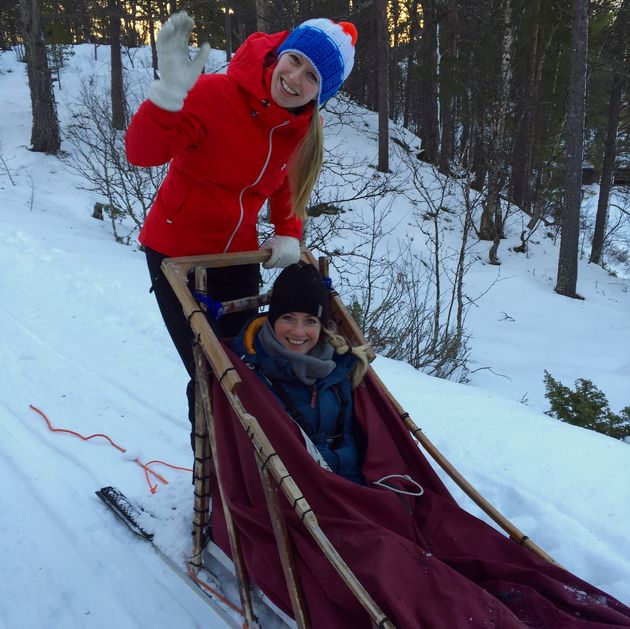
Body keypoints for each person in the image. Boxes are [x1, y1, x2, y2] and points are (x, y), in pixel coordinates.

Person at [125, 12, 358, 436]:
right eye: (295, 61)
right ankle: (216, 474)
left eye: (312, 77)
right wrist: (168, 97)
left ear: (321, 94)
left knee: (250, 366)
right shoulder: (214, 95)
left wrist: (289, 230)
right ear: (279, 54)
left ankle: (257, 467)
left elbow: (290, 182)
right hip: (176, 252)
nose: (295, 79)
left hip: (239, 255)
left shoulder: (304, 126)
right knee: (211, 369)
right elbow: (142, 153)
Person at [232, 263, 370, 483]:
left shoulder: (340, 364)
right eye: (288, 317)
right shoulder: (249, 371)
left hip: (350, 483)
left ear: (321, 325)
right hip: (292, 490)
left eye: (310, 321)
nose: (298, 331)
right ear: (273, 318)